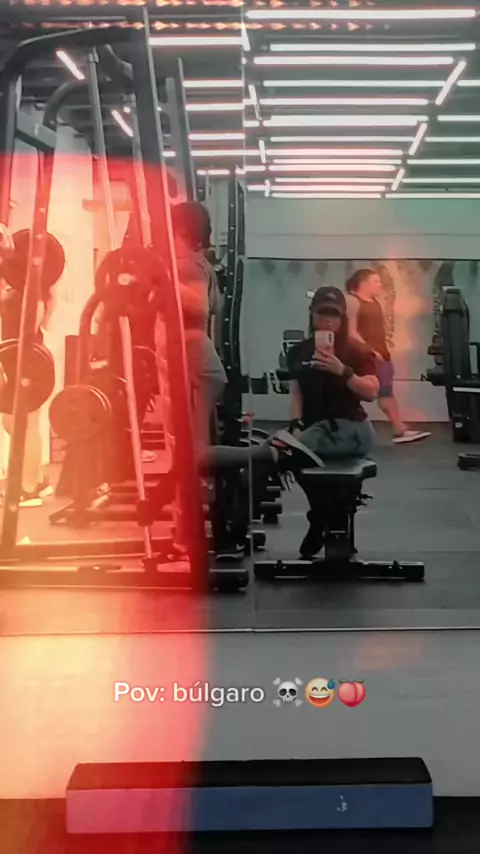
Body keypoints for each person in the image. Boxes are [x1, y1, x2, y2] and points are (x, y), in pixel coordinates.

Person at [286, 286, 379, 559]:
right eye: (322, 313)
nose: (327, 320)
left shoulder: (357, 351)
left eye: (333, 315)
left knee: (288, 452)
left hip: (351, 429)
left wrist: (343, 371)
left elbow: (371, 392)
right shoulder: (298, 352)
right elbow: (297, 393)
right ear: (312, 315)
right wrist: (295, 423)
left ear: (342, 318)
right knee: (291, 450)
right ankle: (323, 514)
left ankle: (320, 517)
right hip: (317, 431)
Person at [166, 201, 227, 449]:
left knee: (194, 450)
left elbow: (200, 307)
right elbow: (216, 306)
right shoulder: (200, 264)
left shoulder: (187, 264)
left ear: (180, 229)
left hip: (198, 366)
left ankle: (268, 454)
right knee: (193, 445)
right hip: (200, 364)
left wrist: (164, 278)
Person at [345, 268, 430, 444]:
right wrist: (369, 350)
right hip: (365, 357)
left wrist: (381, 351)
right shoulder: (353, 301)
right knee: (357, 393)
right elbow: (351, 332)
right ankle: (397, 429)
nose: (380, 284)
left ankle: (399, 428)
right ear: (363, 282)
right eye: (375, 281)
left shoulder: (375, 302)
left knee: (385, 393)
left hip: (381, 355)